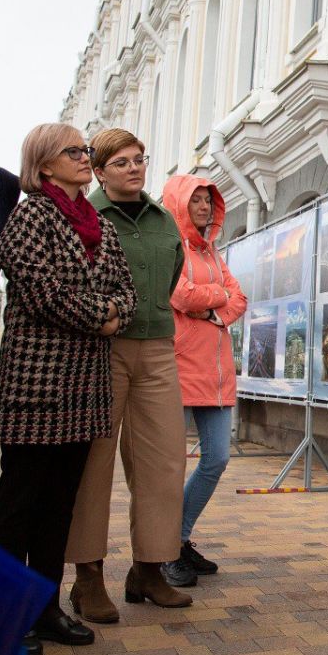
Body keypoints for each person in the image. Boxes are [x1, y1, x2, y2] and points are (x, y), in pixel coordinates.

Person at [0, 123, 137, 655]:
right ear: (44, 163)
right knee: (18, 505)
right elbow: (38, 288)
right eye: (74, 151)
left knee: (59, 505)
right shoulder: (28, 215)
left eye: (85, 150)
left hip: (84, 388)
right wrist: (100, 317)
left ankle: (44, 608)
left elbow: (125, 290)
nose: (85, 157)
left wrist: (111, 313)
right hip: (37, 383)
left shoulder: (98, 223)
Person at [64, 128, 192, 617]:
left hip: (158, 348)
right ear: (99, 171)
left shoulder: (163, 220)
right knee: (94, 465)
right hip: (103, 348)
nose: (135, 167)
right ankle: (88, 576)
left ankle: (150, 569)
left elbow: (173, 274)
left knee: (163, 462)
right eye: (121, 162)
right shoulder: (84, 216)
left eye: (140, 159)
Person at [160, 175, 246, 587]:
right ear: (179, 203)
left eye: (208, 200)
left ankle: (177, 539)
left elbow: (240, 298)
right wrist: (218, 296)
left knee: (217, 459)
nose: (203, 207)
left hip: (216, 372)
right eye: (195, 200)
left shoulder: (212, 250)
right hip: (179, 369)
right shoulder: (170, 245)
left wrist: (213, 307)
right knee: (169, 467)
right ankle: (164, 551)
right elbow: (180, 296)